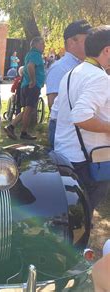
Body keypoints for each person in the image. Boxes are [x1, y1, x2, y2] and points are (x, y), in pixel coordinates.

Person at [54, 25, 110, 212]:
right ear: (107, 50)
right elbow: (80, 117)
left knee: (71, 213)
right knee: (82, 214)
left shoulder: (71, 74)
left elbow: (58, 113)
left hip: (65, 154)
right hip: (88, 160)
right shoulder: (99, 78)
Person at [46, 20, 91, 149]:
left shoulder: (85, 66)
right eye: (87, 40)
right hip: (65, 131)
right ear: (72, 42)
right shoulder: (60, 68)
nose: (91, 44)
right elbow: (53, 104)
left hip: (80, 130)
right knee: (66, 167)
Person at [4, 36, 45, 140]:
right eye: (42, 44)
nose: (44, 46)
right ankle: (19, 130)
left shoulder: (29, 54)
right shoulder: (36, 54)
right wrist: (33, 80)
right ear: (36, 44)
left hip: (25, 85)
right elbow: (31, 66)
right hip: (32, 85)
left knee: (28, 109)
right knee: (28, 109)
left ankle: (13, 127)